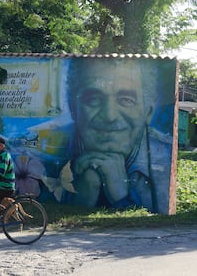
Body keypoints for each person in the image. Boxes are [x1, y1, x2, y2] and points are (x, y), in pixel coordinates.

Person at [64, 58, 173, 213]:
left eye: (126, 100)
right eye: (94, 99)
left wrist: (122, 198)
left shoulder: (165, 163)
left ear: (147, 111)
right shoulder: (41, 153)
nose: (110, 116)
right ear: (73, 108)